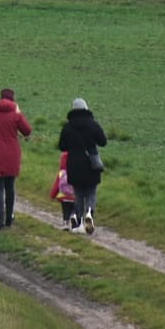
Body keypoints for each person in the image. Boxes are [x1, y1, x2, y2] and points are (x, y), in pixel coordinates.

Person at [0, 87, 32, 229]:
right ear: (13, 100)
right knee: (10, 188)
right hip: (12, 154)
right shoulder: (15, 115)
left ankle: (0, 220)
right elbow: (27, 130)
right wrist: (19, 113)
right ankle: (9, 218)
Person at [57, 97, 108, 234]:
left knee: (78, 194)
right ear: (86, 108)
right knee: (91, 192)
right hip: (91, 164)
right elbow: (103, 141)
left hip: (74, 165)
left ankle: (78, 219)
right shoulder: (93, 124)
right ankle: (89, 213)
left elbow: (61, 146)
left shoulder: (67, 127)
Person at [48, 152, 77, 227]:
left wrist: (52, 195)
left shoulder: (62, 173)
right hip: (74, 196)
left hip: (63, 196)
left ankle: (65, 223)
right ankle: (73, 217)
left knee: (65, 210)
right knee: (74, 208)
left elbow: (56, 185)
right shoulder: (77, 172)